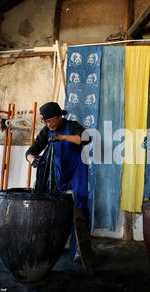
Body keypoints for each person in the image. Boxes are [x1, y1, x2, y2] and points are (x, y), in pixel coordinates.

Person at [25, 102, 91, 265]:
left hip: (77, 172)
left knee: (80, 203)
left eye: (51, 120)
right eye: (46, 121)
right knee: (55, 208)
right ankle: (54, 245)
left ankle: (79, 249)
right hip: (58, 174)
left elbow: (86, 138)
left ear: (60, 116)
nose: (48, 124)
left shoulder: (72, 126)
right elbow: (30, 152)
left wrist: (62, 137)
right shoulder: (46, 132)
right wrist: (33, 160)